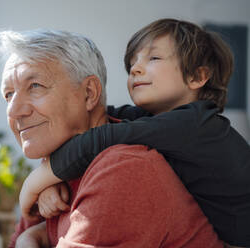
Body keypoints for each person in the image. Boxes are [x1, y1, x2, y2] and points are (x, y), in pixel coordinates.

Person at [19, 19, 250, 247]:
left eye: (154, 58)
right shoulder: (154, 120)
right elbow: (88, 120)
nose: (135, 69)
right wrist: (55, 181)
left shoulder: (194, 124)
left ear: (197, 77)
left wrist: (35, 182)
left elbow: (99, 138)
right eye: (132, 64)